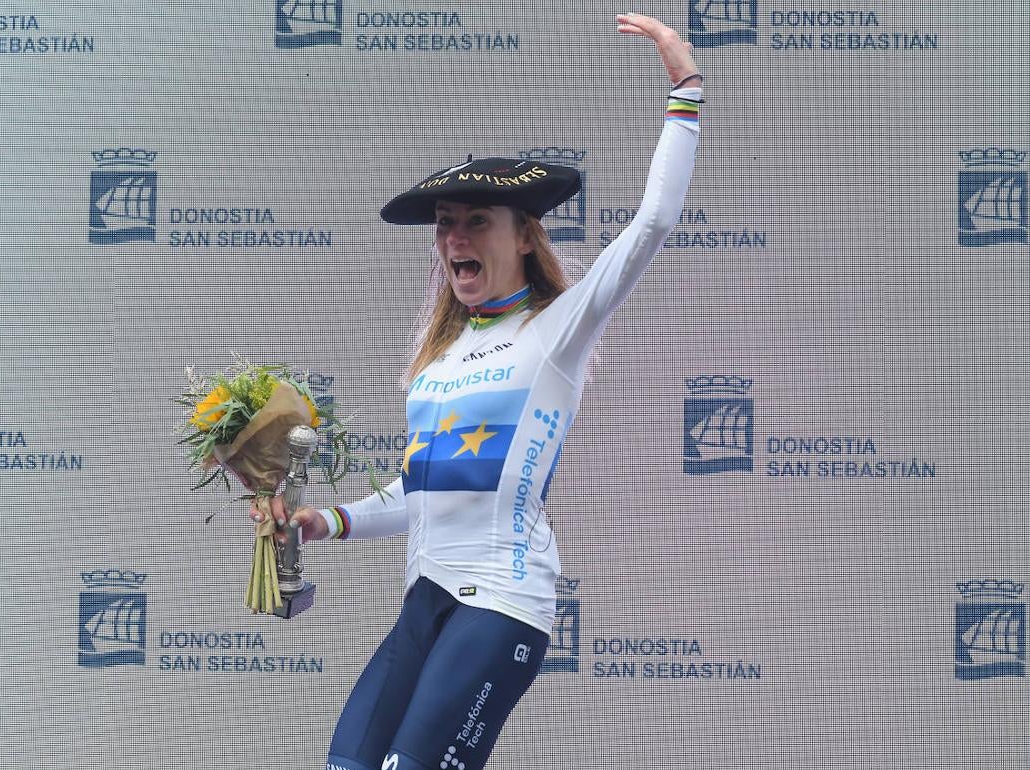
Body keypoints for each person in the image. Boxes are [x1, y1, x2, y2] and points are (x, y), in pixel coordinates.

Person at [253, 13, 703, 770]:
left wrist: (685, 90)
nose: (456, 237)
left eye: (477, 222)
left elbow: (653, 223)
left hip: (501, 606)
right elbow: (421, 494)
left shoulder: (556, 330)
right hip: (426, 601)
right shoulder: (436, 363)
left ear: (524, 235)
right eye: (446, 224)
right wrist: (323, 521)